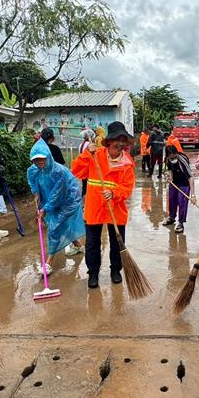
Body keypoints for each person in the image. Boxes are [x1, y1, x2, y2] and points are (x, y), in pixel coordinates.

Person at [71, 121, 136, 289]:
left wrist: (114, 193)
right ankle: (93, 273)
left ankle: (116, 270)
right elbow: (77, 171)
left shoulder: (128, 163)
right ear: (109, 141)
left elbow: (127, 187)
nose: (120, 143)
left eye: (123, 140)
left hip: (116, 207)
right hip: (95, 206)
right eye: (117, 139)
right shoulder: (95, 155)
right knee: (92, 242)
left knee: (117, 242)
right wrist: (86, 154)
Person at [27, 139, 86, 275]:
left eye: (42, 159)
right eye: (36, 160)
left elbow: (57, 194)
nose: (40, 162)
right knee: (62, 225)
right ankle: (78, 246)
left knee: (54, 228)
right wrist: (36, 196)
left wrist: (45, 209)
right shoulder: (34, 170)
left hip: (68, 199)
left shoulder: (58, 171)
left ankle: (49, 262)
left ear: (48, 157)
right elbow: (35, 185)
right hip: (51, 201)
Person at [163, 145, 195, 234]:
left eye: (174, 155)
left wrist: (193, 195)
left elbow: (191, 177)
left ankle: (181, 223)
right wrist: (170, 178)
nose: (172, 158)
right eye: (171, 156)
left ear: (176, 153)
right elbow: (169, 169)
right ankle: (172, 218)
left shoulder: (182, 160)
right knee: (172, 200)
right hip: (174, 183)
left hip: (184, 184)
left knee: (182, 203)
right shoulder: (167, 159)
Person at [78, 129, 95, 197]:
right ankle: (87, 195)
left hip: (83, 165)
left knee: (84, 181)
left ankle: (83, 194)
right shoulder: (90, 145)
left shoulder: (81, 144)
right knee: (89, 181)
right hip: (89, 165)